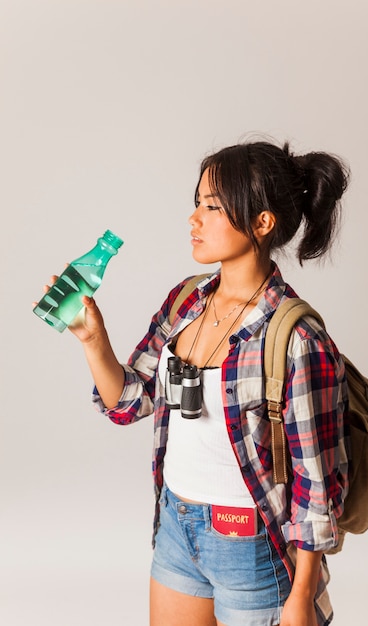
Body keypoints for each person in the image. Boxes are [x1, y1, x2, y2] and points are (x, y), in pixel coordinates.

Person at [42, 139, 350, 626]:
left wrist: (301, 596)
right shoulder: (184, 302)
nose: (194, 218)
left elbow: (318, 486)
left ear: (262, 222)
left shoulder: (295, 338)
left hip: (251, 548)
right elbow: (128, 403)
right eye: (196, 203)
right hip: (176, 529)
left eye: (212, 206)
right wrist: (92, 338)